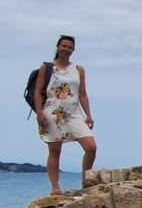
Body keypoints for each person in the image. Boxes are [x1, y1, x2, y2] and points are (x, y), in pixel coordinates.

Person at [34, 34, 97, 195]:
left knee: (91, 147)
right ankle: (55, 188)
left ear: (73, 50)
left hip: (73, 112)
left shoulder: (78, 70)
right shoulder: (47, 67)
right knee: (55, 150)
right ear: (58, 47)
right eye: (64, 46)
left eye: (70, 47)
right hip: (52, 111)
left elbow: (82, 94)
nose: (66, 49)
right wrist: (39, 113)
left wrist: (88, 115)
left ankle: (86, 180)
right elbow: (38, 92)